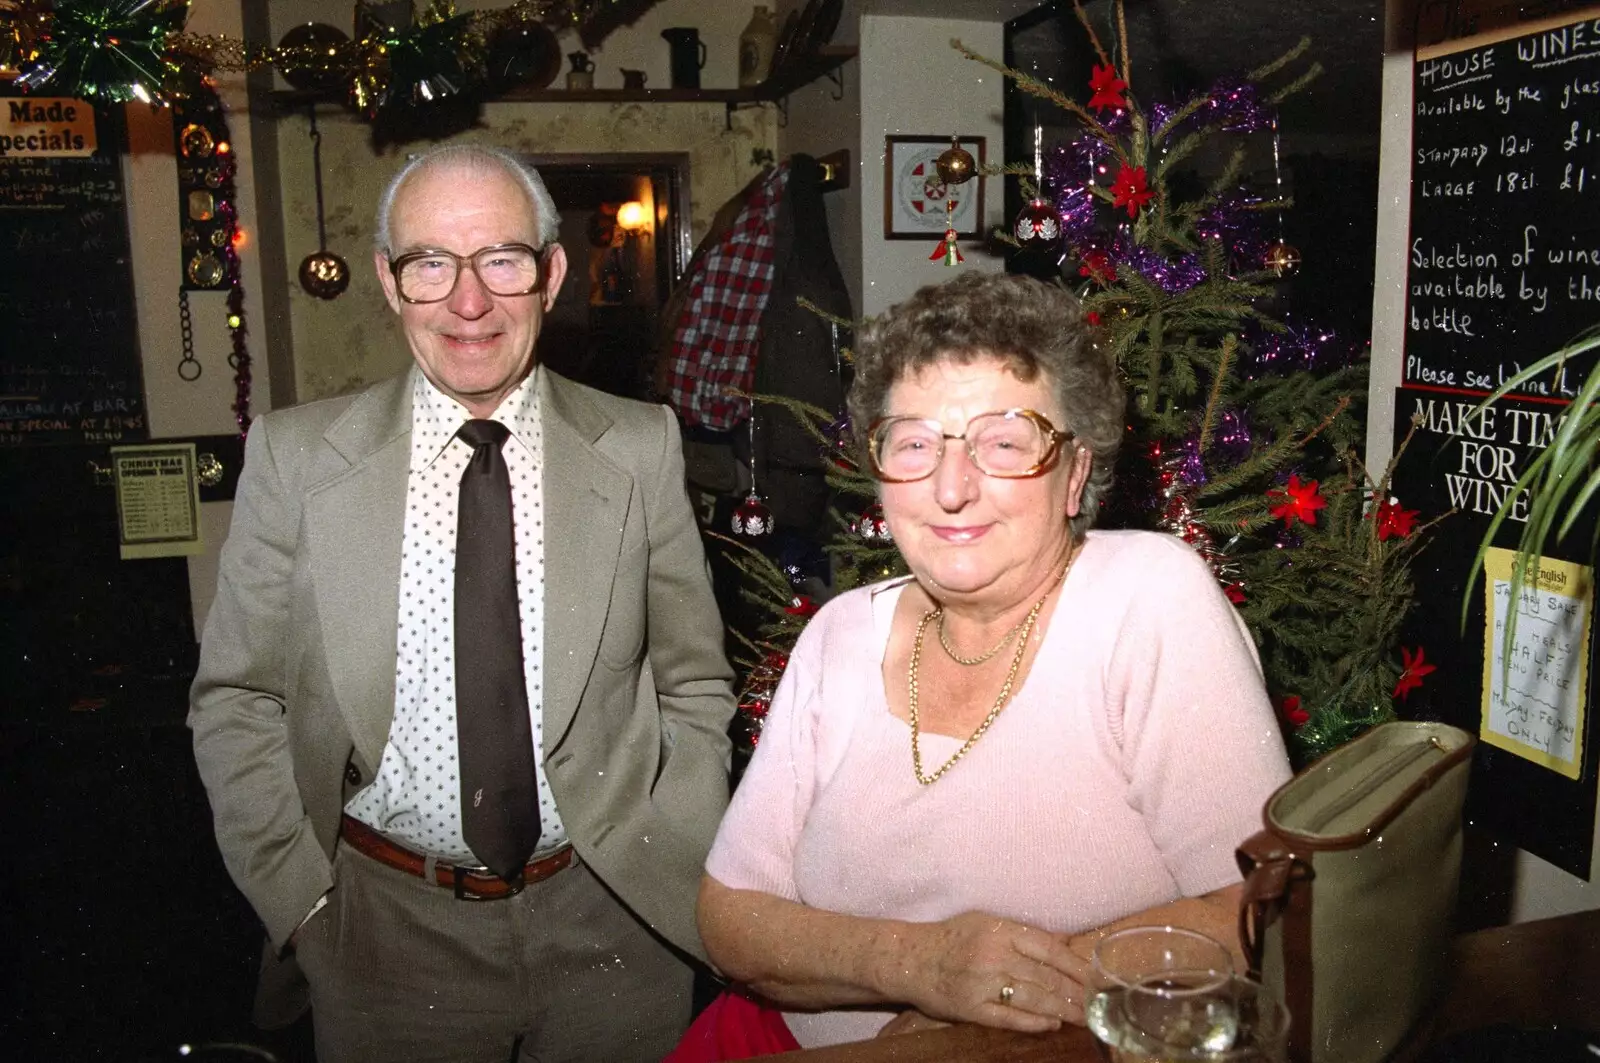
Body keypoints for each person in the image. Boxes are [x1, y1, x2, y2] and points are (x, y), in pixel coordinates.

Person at [190, 143, 736, 1063]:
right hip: (383, 938)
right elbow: (238, 699)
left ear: (552, 274)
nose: (469, 301)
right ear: (388, 281)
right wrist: (302, 899)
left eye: (502, 260)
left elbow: (693, 680)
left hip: (616, 929)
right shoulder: (296, 459)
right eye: (431, 263)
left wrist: (676, 852)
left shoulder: (640, 447)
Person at [694, 271, 1292, 1050]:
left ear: (1076, 473)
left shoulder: (1147, 599)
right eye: (913, 443)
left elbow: (1256, 906)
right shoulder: (839, 634)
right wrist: (920, 966)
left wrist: (972, 1018)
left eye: (1003, 442)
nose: (950, 488)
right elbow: (729, 915)